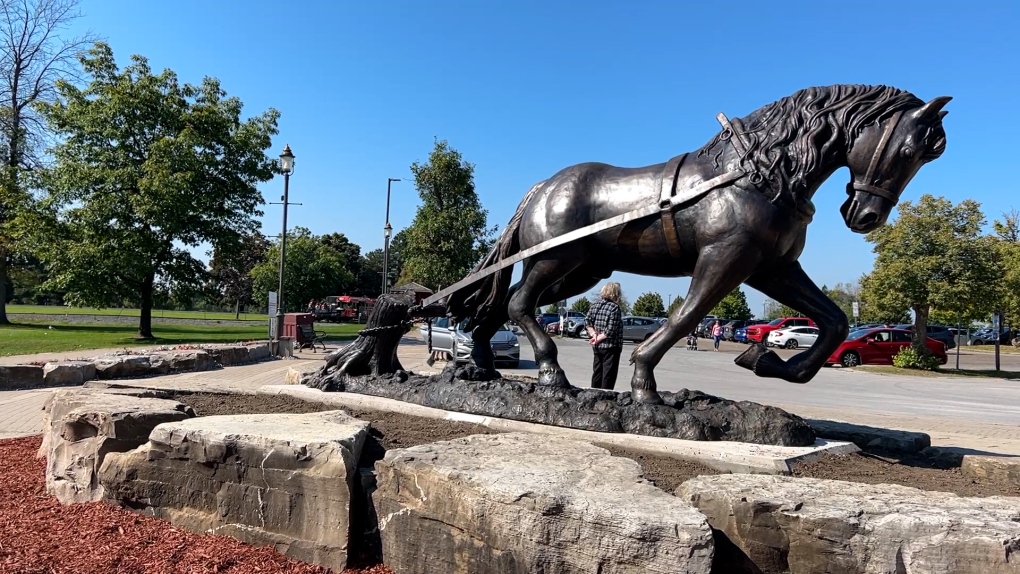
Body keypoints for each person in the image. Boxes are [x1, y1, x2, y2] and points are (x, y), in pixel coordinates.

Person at [585, 282, 624, 390]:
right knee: (608, 374)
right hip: (611, 346)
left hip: (597, 347)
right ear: (616, 293)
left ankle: (593, 392)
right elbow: (611, 329)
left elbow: (587, 321)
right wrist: (598, 338)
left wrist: (594, 335)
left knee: (597, 372)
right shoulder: (614, 308)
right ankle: (606, 396)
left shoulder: (594, 306)